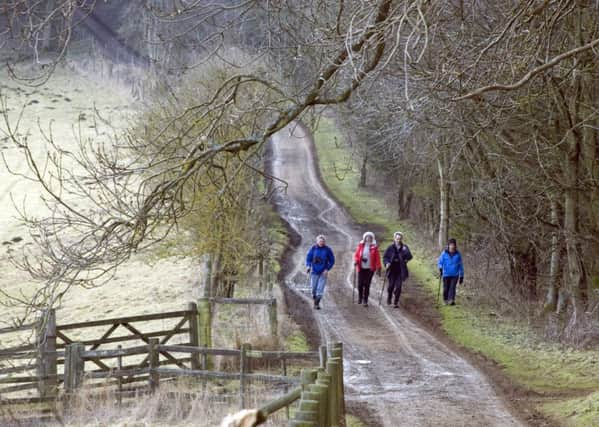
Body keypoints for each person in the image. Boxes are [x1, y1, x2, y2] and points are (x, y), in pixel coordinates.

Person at [383, 231, 413, 308]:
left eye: (399, 239)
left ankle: (395, 302)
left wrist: (406, 259)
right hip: (392, 270)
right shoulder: (390, 247)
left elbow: (410, 256)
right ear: (394, 239)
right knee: (391, 286)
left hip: (400, 270)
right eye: (397, 239)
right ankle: (389, 297)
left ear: (401, 239)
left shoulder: (404, 247)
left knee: (399, 287)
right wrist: (387, 263)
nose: (398, 240)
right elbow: (385, 257)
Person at [306, 235, 335, 310]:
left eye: (322, 241)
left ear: (324, 242)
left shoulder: (327, 250)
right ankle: (314, 298)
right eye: (320, 241)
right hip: (314, 271)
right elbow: (308, 258)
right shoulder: (313, 248)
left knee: (320, 289)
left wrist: (327, 269)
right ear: (317, 241)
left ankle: (316, 304)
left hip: (323, 272)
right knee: (313, 289)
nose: (321, 242)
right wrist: (308, 266)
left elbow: (332, 260)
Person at [353, 231, 382, 307]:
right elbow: (356, 255)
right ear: (364, 238)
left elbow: (377, 259)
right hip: (361, 268)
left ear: (372, 239)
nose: (368, 239)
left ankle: (365, 300)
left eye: (370, 238)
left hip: (370, 269)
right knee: (360, 284)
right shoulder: (361, 246)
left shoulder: (374, 248)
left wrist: (379, 267)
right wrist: (356, 261)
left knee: (367, 284)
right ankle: (360, 297)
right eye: (367, 237)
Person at [438, 238, 464, 306]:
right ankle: (445, 299)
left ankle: (451, 300)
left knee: (452, 287)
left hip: (455, 274)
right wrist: (440, 268)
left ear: (455, 246)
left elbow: (461, 265)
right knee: (446, 288)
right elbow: (440, 262)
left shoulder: (458, 254)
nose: (452, 246)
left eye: (453, 245)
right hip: (446, 274)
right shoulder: (444, 253)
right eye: (451, 245)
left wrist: (461, 276)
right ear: (448, 245)